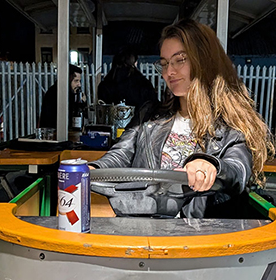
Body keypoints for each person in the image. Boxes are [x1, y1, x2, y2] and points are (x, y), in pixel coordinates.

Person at [88, 19, 275, 218]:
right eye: (165, 63)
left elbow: (238, 169)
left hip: (200, 236)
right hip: (143, 228)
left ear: (204, 60)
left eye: (180, 60)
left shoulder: (232, 125)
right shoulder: (149, 115)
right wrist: (92, 169)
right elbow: (121, 155)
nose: (169, 72)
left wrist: (209, 165)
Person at [97, 47, 158, 112]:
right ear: (135, 63)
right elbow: (152, 104)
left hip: (110, 120)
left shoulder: (106, 83)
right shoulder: (143, 83)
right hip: (141, 120)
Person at [39, 64, 83, 128]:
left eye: (79, 81)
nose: (79, 85)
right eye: (76, 81)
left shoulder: (71, 94)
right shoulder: (55, 93)